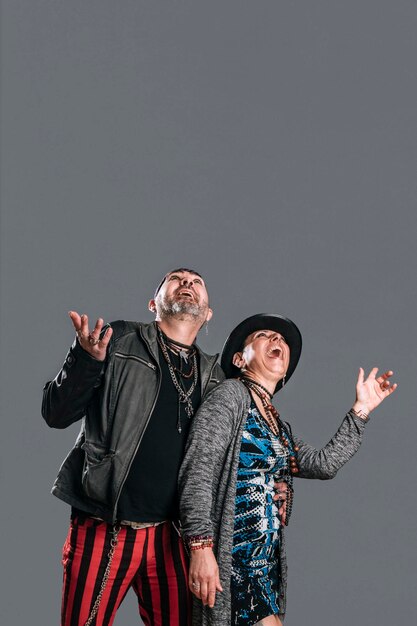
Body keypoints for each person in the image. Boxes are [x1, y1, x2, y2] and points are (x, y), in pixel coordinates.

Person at [179, 313, 397, 626]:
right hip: (233, 561)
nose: (277, 340)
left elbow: (323, 464)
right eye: (263, 336)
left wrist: (361, 410)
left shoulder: (277, 425)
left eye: (280, 338)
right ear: (240, 359)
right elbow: (198, 471)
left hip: (264, 565)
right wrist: (200, 547)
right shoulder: (229, 397)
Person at [42, 268, 225, 626]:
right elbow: (56, 413)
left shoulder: (214, 376)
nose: (187, 283)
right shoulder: (119, 339)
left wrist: (276, 481)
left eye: (196, 282)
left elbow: (226, 454)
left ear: (208, 314)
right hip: (104, 522)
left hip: (171, 535)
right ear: (153, 303)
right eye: (177, 278)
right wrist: (85, 360)